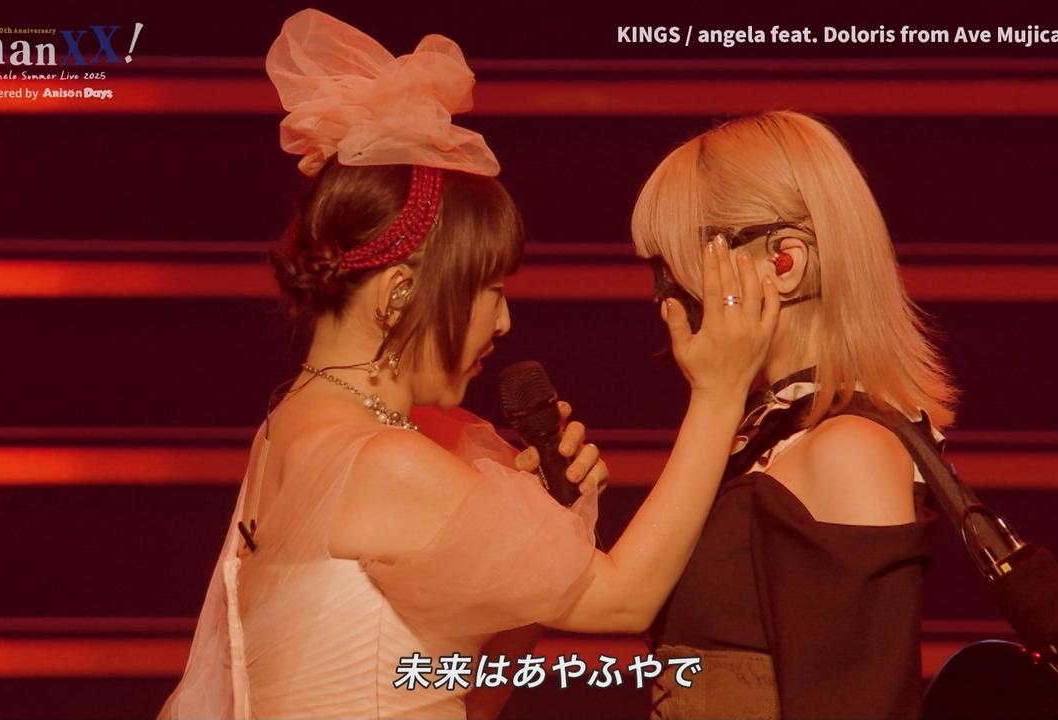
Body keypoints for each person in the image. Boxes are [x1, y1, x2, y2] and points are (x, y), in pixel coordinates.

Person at [159, 10, 779, 719]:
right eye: (489, 290)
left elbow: (450, 695)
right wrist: (719, 391)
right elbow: (623, 600)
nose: (504, 321)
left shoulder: (286, 430)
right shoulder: (382, 461)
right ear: (399, 294)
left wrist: (530, 556)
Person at [632, 111, 960, 719]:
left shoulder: (849, 450)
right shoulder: (767, 435)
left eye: (674, 266)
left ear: (784, 262)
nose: (663, 296)